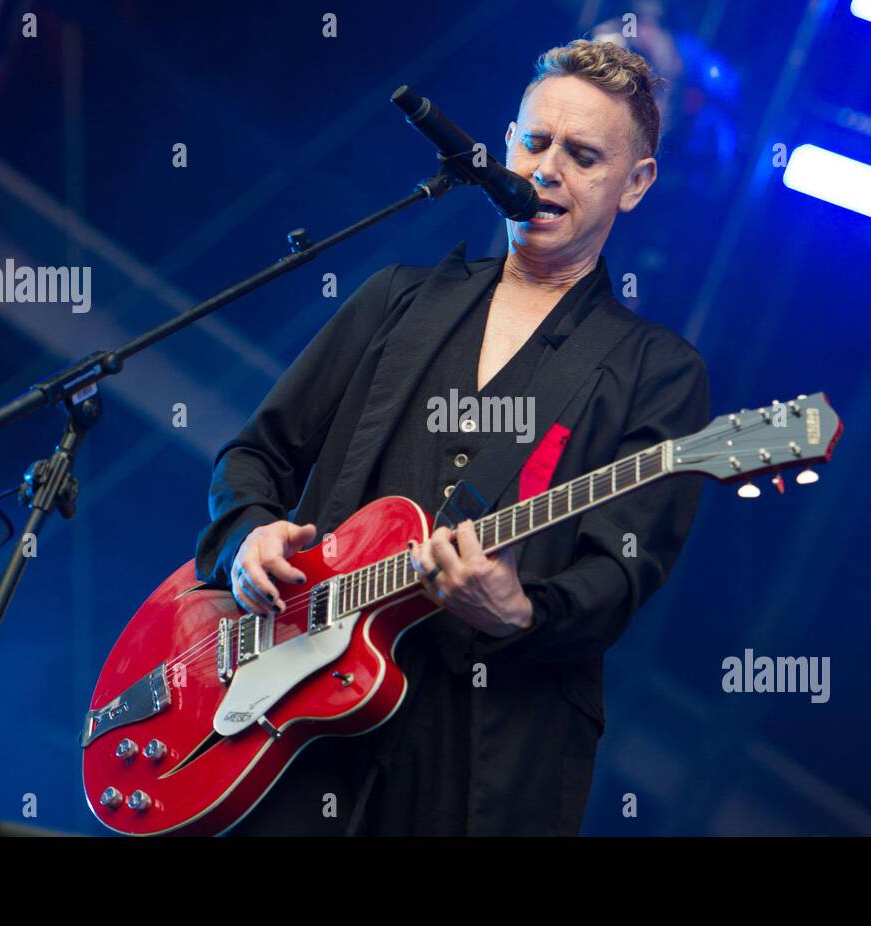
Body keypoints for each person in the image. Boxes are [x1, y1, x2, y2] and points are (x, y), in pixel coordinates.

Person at [195, 39, 710, 836]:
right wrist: (247, 536)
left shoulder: (658, 372)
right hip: (297, 723)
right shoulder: (396, 301)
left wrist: (519, 609)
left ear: (635, 184)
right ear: (504, 143)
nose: (547, 170)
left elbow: (621, 570)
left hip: (484, 760)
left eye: (582, 155)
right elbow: (253, 455)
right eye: (535, 143)